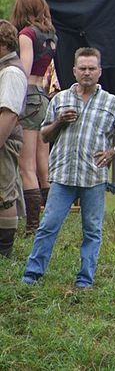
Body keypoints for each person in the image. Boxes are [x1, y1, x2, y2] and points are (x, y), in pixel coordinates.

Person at [21, 48, 115, 287]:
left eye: (92, 69)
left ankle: (85, 280)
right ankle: (31, 275)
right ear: (74, 71)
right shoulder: (60, 99)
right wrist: (58, 121)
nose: (87, 73)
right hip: (64, 174)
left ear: (99, 72)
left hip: (93, 176)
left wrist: (114, 151)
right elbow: (44, 135)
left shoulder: (111, 102)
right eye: (83, 68)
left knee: (92, 230)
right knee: (48, 226)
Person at [10, 0, 58, 236]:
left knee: (25, 165)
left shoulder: (26, 35)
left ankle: (33, 226)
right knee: (43, 165)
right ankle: (52, 220)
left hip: (29, 97)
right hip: (44, 98)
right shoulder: (51, 35)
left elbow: (23, 71)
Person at [0, 21, 28, 257]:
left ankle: (4, 251)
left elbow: (8, 114)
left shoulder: (10, 72)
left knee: (4, 194)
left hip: (4, 138)